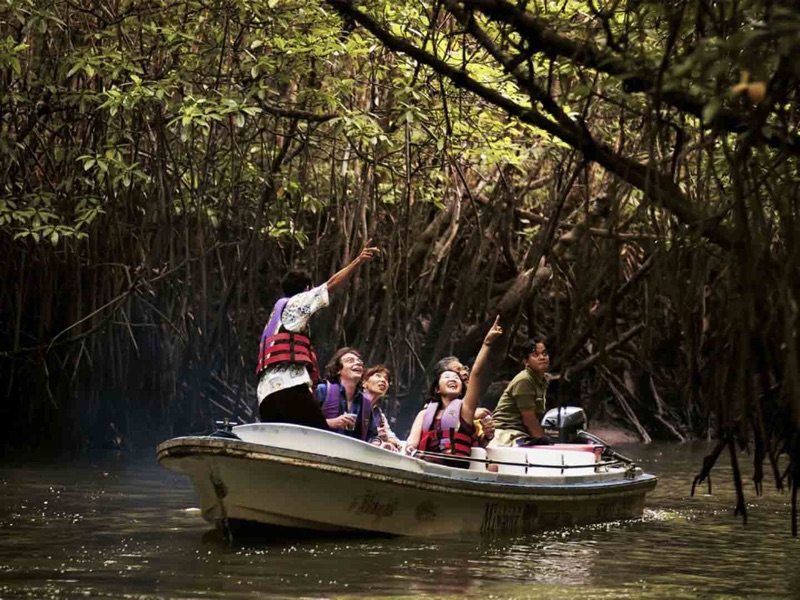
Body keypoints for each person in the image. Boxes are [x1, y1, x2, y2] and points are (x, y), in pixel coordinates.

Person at [256, 241, 379, 427]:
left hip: (265, 394)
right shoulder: (297, 303)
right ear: (307, 289)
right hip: (289, 386)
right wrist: (358, 261)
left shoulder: (275, 316)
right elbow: (330, 285)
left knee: (284, 435)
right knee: (317, 431)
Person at [405, 316, 503, 466]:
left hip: (454, 467)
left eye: (456, 378)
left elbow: (476, 373)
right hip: (426, 466)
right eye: (447, 377)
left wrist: (487, 343)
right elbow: (412, 443)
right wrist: (411, 450)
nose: (453, 379)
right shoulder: (424, 414)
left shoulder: (465, 409)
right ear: (437, 388)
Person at [489, 338, 552, 447]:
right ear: (526, 361)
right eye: (535, 355)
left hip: (521, 432)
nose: (542, 358)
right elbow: (529, 419)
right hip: (507, 432)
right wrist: (545, 445)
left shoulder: (542, 380)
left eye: (544, 354)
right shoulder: (525, 380)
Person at [315, 348, 379, 442]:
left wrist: (377, 443)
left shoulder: (365, 402)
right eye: (350, 361)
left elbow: (373, 436)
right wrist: (328, 423)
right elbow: (301, 421)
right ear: (338, 370)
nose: (358, 363)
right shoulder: (323, 390)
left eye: (359, 362)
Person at [433, 356, 496, 446]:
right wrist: (468, 414)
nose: (465, 373)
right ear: (438, 386)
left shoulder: (470, 403)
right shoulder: (431, 410)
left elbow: (476, 444)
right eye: (457, 371)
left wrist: (487, 435)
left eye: (464, 368)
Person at [361, 365, 401, 451]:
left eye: (386, 379)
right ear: (364, 382)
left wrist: (386, 439)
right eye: (378, 376)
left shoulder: (379, 415)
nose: (383, 380)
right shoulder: (353, 404)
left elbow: (398, 443)